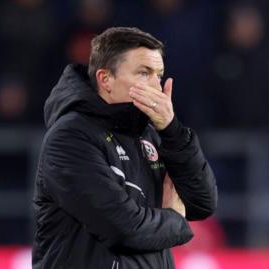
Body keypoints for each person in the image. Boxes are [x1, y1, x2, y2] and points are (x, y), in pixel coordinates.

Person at [32, 27, 218, 269]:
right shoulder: (70, 137)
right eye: (144, 73)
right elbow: (124, 228)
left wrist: (172, 131)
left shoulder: (152, 133)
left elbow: (202, 202)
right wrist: (174, 218)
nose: (156, 85)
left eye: (159, 75)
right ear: (105, 79)